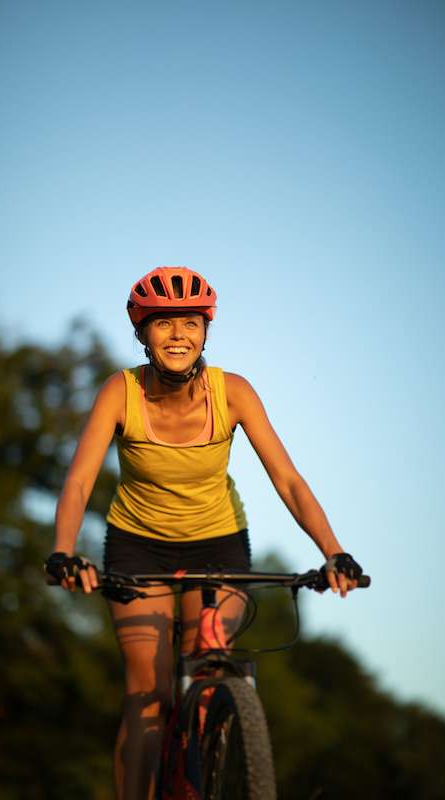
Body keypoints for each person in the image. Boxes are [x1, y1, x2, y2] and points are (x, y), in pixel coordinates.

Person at [45, 265, 363, 800]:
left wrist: (335, 552)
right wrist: (61, 553)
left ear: (205, 331)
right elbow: (78, 483)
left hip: (218, 542)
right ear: (142, 333)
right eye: (164, 324)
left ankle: (216, 750)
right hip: (137, 545)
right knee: (149, 694)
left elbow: (287, 479)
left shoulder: (233, 393)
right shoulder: (119, 393)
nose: (178, 335)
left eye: (190, 323)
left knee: (211, 658)